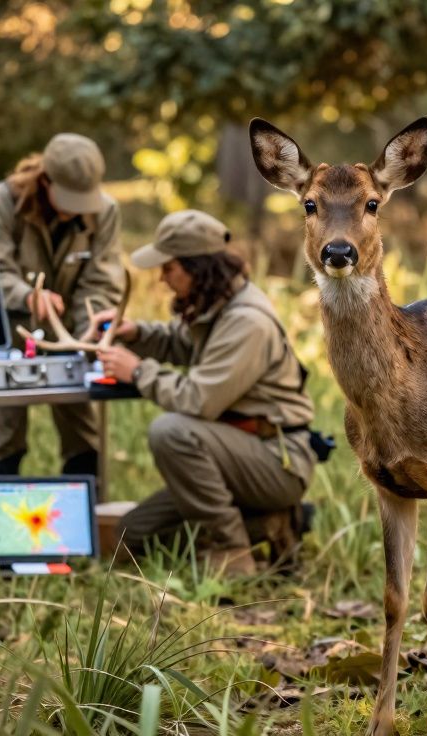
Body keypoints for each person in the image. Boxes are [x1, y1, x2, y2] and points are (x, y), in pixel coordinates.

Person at [89, 210, 315, 576]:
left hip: (276, 461)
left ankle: (232, 550)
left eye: (169, 267)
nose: (162, 278)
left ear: (197, 267)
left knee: (171, 431)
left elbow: (198, 400)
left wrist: (137, 371)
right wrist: (137, 335)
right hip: (237, 456)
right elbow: (184, 345)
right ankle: (267, 525)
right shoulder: (220, 303)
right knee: (132, 537)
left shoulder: (246, 321)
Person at [0, 133, 125, 476]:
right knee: (0, 435)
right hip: (8, 336)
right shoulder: (0, 203)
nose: (75, 210)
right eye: (68, 199)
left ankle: (88, 516)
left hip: (72, 339)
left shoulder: (105, 212)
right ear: (44, 181)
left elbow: (101, 277)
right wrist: (27, 295)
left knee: (84, 433)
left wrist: (89, 334)